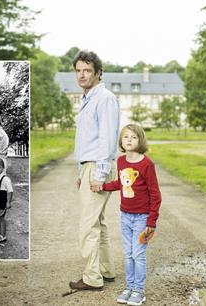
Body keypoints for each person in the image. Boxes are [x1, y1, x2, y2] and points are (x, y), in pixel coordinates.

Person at [69, 50, 120, 291]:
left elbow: (107, 140)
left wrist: (98, 174)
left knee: (87, 226)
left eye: (87, 70)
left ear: (98, 73)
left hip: (97, 167)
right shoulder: (88, 98)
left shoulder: (104, 98)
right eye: (78, 70)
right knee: (97, 222)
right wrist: (81, 172)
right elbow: (86, 140)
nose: (82, 74)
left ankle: (92, 278)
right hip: (88, 167)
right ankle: (106, 271)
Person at [94, 124, 162, 305]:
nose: (129, 140)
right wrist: (102, 186)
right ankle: (129, 287)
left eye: (133, 137)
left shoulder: (147, 164)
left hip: (142, 218)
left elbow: (155, 194)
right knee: (127, 253)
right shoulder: (121, 161)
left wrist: (151, 221)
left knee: (137, 254)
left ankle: (139, 290)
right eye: (126, 137)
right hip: (125, 215)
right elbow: (121, 183)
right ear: (121, 141)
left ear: (140, 140)